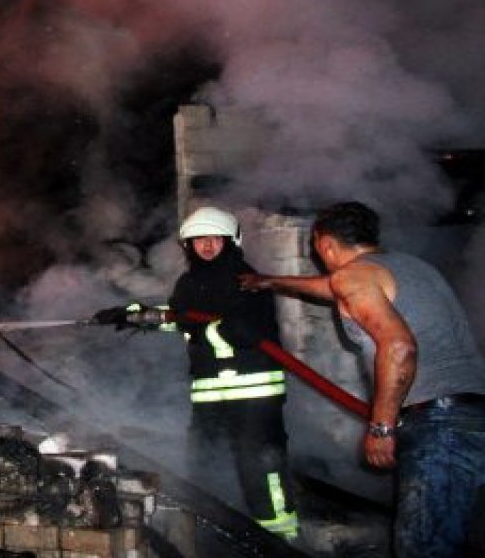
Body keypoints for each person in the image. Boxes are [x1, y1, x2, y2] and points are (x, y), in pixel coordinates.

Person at [242, 200, 485, 557]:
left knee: (424, 547)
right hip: (473, 415)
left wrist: (382, 427)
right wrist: (271, 281)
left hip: (439, 427)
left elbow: (399, 347)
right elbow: (330, 287)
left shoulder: (353, 277)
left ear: (325, 244)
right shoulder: (411, 267)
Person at [96, 206, 299, 539]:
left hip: (253, 392)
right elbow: (180, 317)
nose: (206, 246)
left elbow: (234, 329)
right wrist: (133, 315)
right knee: (204, 465)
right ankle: (215, 535)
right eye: (198, 240)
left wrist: (200, 325)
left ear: (230, 241)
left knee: (260, 466)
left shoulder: (248, 281)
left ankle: (281, 536)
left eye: (214, 239)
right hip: (209, 392)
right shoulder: (190, 282)